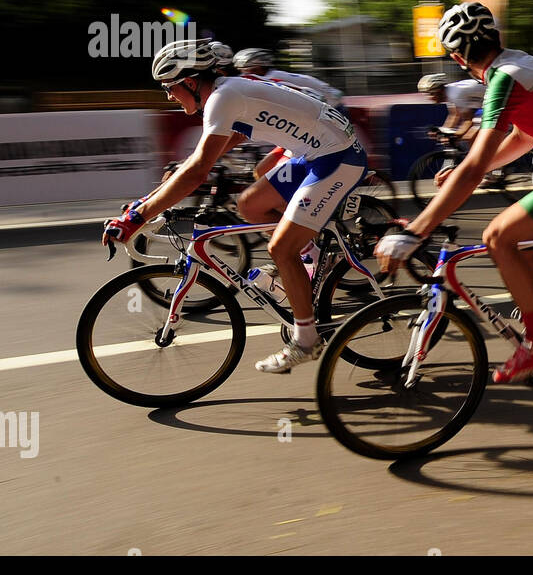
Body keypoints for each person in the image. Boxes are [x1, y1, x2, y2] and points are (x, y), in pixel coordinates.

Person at [374, 1, 533, 384]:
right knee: (514, 241)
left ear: (458, 58)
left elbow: (475, 168)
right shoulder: (514, 65)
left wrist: (416, 231)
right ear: (495, 36)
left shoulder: (504, 79)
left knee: (498, 236)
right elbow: (523, 138)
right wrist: (466, 168)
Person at [103, 39, 368, 374]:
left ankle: (306, 340)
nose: (169, 96)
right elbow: (225, 143)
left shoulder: (223, 97)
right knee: (250, 204)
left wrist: (137, 216)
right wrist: (147, 201)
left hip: (338, 157)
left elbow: (199, 171)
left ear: (189, 82)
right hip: (315, 151)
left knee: (280, 249)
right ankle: (312, 257)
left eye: (170, 88)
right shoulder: (228, 91)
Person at [232, 48, 348, 181]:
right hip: (317, 115)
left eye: (248, 70)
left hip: (326, 117)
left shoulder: (270, 79)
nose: (244, 75)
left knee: (277, 173)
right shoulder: (272, 76)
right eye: (242, 71)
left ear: (259, 67)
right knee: (261, 170)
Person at [418, 72, 486, 145]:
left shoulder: (455, 95)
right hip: (484, 105)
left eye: (431, 94)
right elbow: (454, 115)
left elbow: (468, 120)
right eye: (426, 94)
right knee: (468, 137)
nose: (429, 98)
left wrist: (455, 136)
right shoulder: (449, 92)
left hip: (497, 104)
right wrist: (443, 131)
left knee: (472, 137)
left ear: (439, 91)